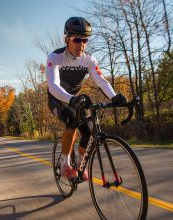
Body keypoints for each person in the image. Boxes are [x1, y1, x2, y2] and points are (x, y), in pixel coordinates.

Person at [46, 16, 126, 180]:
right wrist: (71, 99)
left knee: (89, 130)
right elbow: (53, 86)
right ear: (67, 39)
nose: (81, 44)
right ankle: (65, 163)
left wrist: (114, 96)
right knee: (71, 118)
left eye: (85, 40)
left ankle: (81, 164)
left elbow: (101, 81)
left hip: (74, 98)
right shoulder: (55, 57)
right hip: (57, 97)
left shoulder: (89, 60)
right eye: (77, 40)